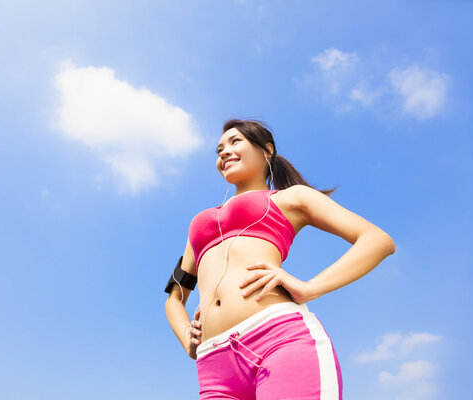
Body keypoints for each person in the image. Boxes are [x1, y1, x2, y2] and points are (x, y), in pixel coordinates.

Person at [165, 119, 396, 400]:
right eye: (218, 149)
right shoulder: (198, 224)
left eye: (235, 141)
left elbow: (377, 241)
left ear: (267, 151)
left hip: (278, 341)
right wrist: (187, 336)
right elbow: (175, 298)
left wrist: (311, 287)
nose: (224, 152)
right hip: (214, 366)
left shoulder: (290, 198)